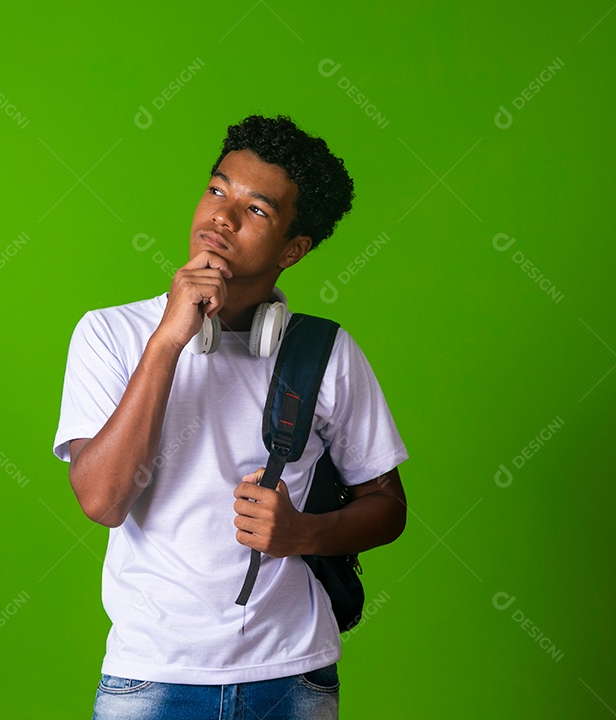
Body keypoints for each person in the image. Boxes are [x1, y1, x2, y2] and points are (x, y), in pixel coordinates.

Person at [53, 114, 409, 720]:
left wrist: (304, 534)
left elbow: (389, 507)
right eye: (217, 190)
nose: (222, 216)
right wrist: (168, 338)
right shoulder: (111, 333)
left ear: (293, 249)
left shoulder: (325, 352)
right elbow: (102, 501)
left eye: (257, 210)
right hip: (151, 678)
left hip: (292, 676)